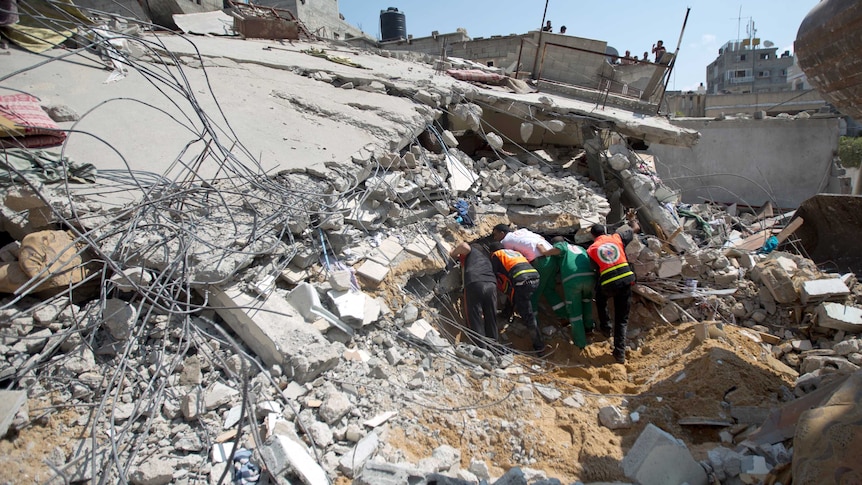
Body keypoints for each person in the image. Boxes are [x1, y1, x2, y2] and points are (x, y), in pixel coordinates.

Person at [587, 213, 639, 364]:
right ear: (605, 231)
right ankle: (619, 353)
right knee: (622, 320)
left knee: (600, 299)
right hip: (626, 280)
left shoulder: (591, 249)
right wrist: (632, 219)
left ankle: (605, 327)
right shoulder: (616, 237)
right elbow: (636, 228)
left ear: (592, 236)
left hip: (609, 284)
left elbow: (595, 269)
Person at [492, 224, 566, 322]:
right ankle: (564, 315)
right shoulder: (523, 230)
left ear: (502, 233)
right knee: (548, 289)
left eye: (495, 235)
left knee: (532, 293)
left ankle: (533, 322)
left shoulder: (504, 242)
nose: (494, 238)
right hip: (551, 258)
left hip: (540, 263)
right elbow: (541, 237)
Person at [488, 242, 545, 355]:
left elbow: (492, 274)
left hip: (521, 279)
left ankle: (539, 346)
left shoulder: (496, 255)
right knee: (514, 294)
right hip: (534, 276)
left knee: (527, 314)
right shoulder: (514, 253)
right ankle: (506, 313)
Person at [546, 237, 596, 349]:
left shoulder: (562, 246)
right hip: (589, 277)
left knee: (574, 312)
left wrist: (545, 252)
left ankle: (580, 342)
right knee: (586, 302)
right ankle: (589, 329)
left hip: (573, 280)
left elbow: (559, 249)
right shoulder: (580, 248)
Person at [449, 242, 499, 350]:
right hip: (491, 284)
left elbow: (464, 246)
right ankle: (494, 348)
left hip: (475, 282)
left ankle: (481, 350)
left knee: (474, 317)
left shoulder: (473, 251)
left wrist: (453, 253)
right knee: (491, 317)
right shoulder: (486, 258)